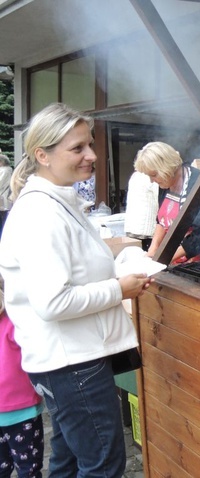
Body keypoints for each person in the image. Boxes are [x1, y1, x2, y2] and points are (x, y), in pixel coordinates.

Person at [0, 103, 153, 477]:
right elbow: (54, 301)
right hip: (72, 364)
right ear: (43, 155)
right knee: (103, 465)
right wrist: (120, 289)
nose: (92, 155)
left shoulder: (57, 203)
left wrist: (125, 249)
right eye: (78, 148)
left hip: (69, 360)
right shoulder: (40, 214)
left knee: (68, 460)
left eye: (90, 144)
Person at [133, 141, 200, 263]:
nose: (151, 181)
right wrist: (152, 251)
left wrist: (164, 259)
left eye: (154, 175)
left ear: (166, 168)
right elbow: (161, 221)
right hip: (176, 257)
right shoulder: (165, 183)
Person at [0, 277, 44, 478]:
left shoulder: (13, 323)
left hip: (21, 410)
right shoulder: (15, 322)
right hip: (22, 410)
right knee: (29, 470)